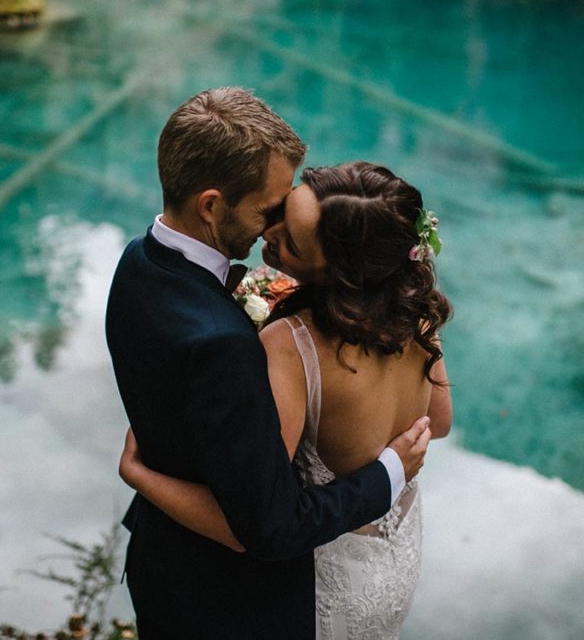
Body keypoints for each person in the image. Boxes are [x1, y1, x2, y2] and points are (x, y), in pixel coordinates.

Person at [105, 89, 433, 640]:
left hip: (165, 569)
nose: (271, 230)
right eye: (267, 210)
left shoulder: (137, 264)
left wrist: (141, 471)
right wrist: (390, 473)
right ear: (211, 205)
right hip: (232, 606)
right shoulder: (225, 345)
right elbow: (271, 528)